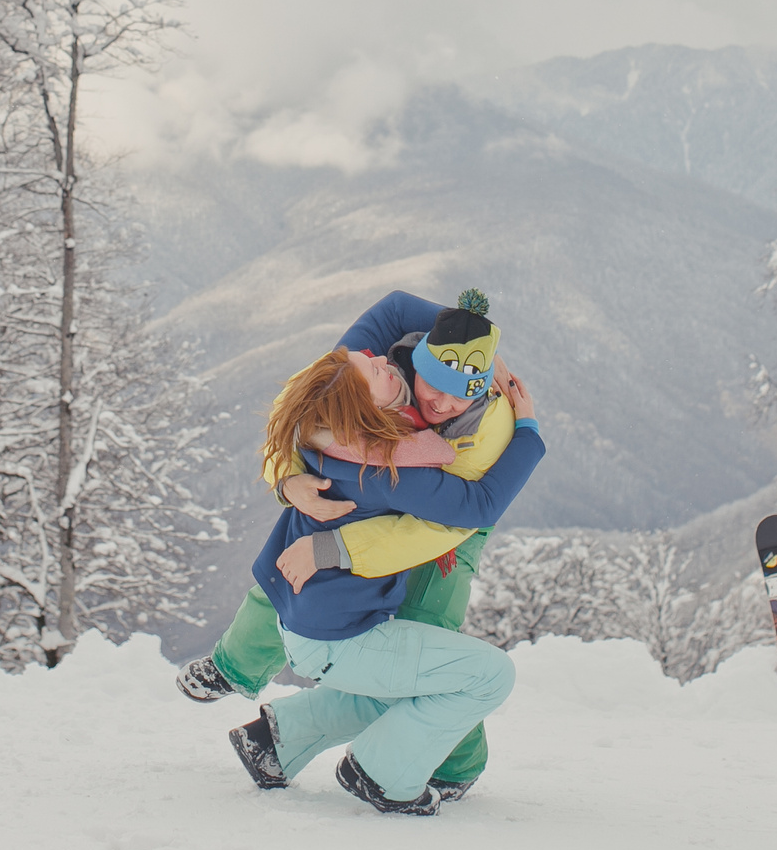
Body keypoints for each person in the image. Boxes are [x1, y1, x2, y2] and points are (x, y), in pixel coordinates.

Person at [177, 289, 521, 798]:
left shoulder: (489, 422)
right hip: (381, 493)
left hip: (450, 524)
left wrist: (340, 548)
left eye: (460, 392)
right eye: (434, 383)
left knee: (425, 635)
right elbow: (292, 412)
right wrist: (287, 478)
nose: (442, 403)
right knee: (293, 577)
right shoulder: (365, 370)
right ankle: (244, 679)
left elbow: (456, 518)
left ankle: (451, 762)